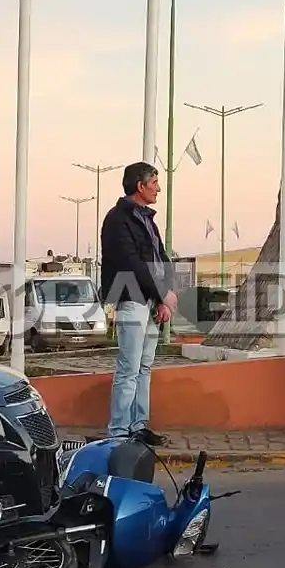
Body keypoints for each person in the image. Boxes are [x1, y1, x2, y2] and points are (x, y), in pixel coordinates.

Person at [100, 161, 176, 443]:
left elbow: (160, 258)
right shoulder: (117, 219)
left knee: (144, 367)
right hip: (131, 298)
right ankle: (119, 432)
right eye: (154, 183)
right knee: (128, 368)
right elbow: (131, 263)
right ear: (140, 186)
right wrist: (161, 294)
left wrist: (164, 296)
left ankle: (138, 427)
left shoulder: (148, 220)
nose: (158, 188)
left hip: (152, 301)